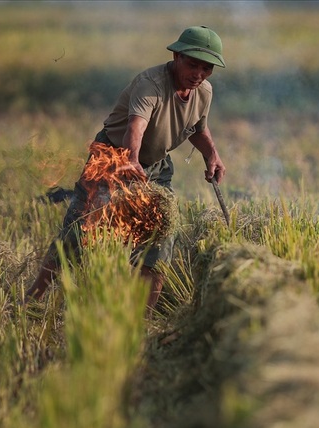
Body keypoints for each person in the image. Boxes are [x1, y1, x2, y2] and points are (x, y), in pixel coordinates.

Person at [25, 25, 227, 309]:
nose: (199, 74)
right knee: (80, 231)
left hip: (155, 167)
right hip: (113, 159)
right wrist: (131, 159)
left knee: (160, 239)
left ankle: (142, 319)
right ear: (176, 57)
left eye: (206, 68)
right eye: (192, 64)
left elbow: (196, 127)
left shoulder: (204, 91)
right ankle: (33, 299)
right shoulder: (151, 83)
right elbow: (137, 126)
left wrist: (212, 155)